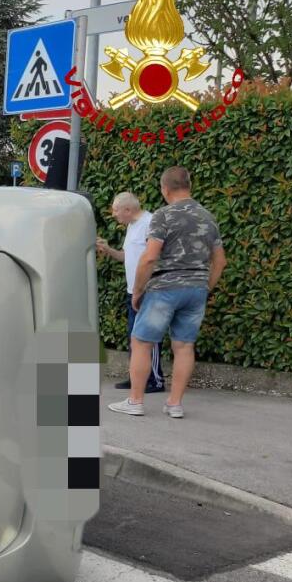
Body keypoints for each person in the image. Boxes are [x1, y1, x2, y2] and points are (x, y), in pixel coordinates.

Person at [109, 167, 226, 418]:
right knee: (184, 346)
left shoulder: (163, 216)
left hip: (164, 288)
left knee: (141, 342)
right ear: (189, 184)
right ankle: (174, 404)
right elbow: (220, 261)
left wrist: (138, 290)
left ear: (165, 188)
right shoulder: (208, 217)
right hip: (196, 289)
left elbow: (149, 258)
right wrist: (205, 288)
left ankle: (136, 401)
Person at [97, 191, 165, 393]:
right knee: (133, 336)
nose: (114, 215)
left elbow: (154, 257)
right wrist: (108, 249)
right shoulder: (132, 226)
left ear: (128, 209)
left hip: (149, 290)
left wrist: (144, 286)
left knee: (149, 336)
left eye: (116, 211)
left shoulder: (150, 222)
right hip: (133, 290)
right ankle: (137, 377)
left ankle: (155, 380)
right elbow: (126, 256)